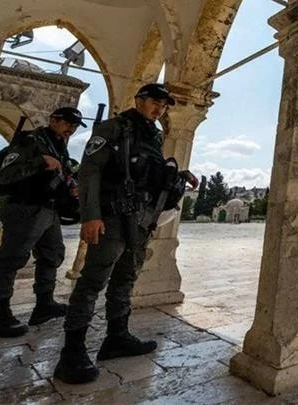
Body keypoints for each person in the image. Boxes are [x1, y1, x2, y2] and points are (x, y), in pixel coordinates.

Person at [54, 83, 196, 385]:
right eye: (154, 102)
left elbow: (147, 174)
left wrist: (178, 176)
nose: (160, 108)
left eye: (165, 105)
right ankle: (72, 352)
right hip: (113, 217)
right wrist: (90, 215)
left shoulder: (152, 135)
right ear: (139, 101)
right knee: (93, 280)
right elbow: (90, 171)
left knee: (125, 278)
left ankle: (117, 337)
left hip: (140, 219)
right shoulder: (114, 127)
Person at [0, 107, 85, 338]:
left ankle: (44, 304)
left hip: (49, 209)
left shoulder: (58, 146)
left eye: (75, 126)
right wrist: (39, 161)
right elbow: (5, 175)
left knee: (53, 254)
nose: (71, 128)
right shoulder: (31, 142)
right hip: (25, 207)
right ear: (53, 120)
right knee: (12, 259)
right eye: (67, 123)